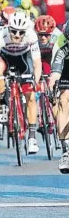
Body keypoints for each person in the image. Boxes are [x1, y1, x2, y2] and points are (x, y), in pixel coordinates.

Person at [0, 11, 41, 154]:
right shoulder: (0, 34)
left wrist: (35, 79)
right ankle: (3, 101)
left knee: (30, 96)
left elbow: (37, 62)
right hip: (5, 58)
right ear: (8, 28)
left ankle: (32, 137)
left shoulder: (31, 35)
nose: (17, 35)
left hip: (23, 60)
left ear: (26, 31)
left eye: (20, 32)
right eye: (14, 31)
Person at [49, 20, 69, 173]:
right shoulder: (62, 44)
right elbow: (55, 73)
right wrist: (53, 88)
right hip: (66, 70)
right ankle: (66, 150)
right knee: (63, 99)